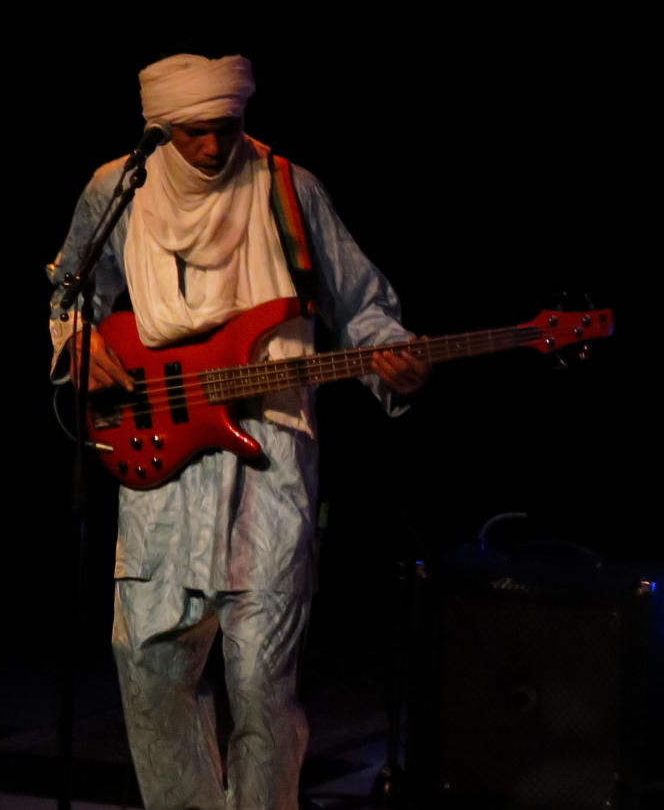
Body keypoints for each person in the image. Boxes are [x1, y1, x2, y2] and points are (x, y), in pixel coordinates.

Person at [48, 53, 428, 810]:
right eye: (193, 131)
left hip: (269, 468)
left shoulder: (289, 189)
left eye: (227, 126)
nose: (213, 145)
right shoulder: (117, 190)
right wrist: (77, 344)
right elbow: (70, 292)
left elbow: (364, 307)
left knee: (261, 687)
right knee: (148, 667)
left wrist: (394, 363)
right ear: (159, 129)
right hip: (159, 460)